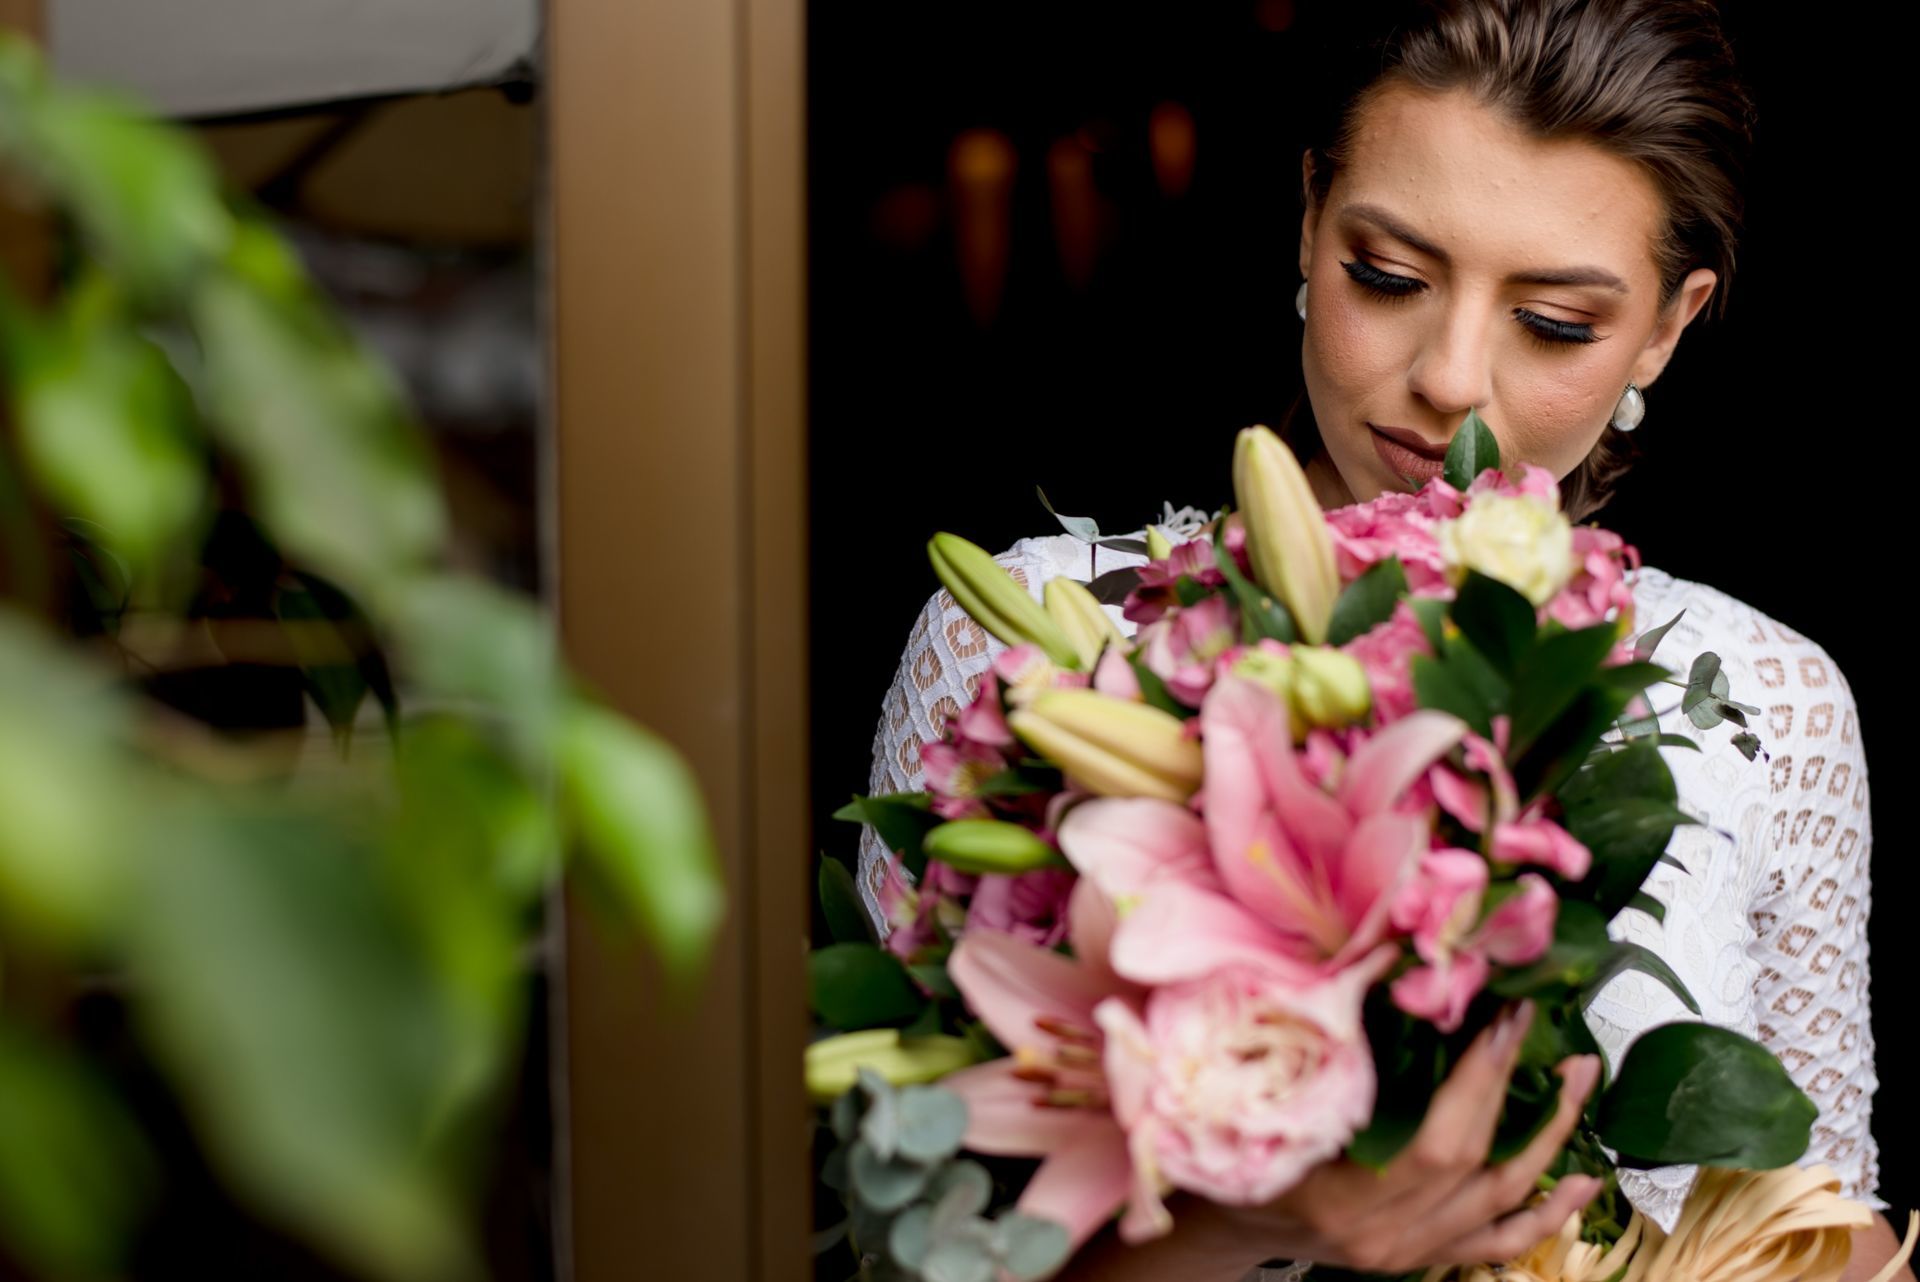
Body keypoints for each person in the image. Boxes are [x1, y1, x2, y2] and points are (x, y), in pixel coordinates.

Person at [856, 2, 1910, 1277]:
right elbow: (898, 1243)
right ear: (1310, 219)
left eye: (1558, 323)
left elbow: (1818, 1231)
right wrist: (1254, 1222)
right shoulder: (1033, 648)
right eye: (1391, 278)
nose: (1453, 377)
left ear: (1666, 326)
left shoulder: (1767, 702)